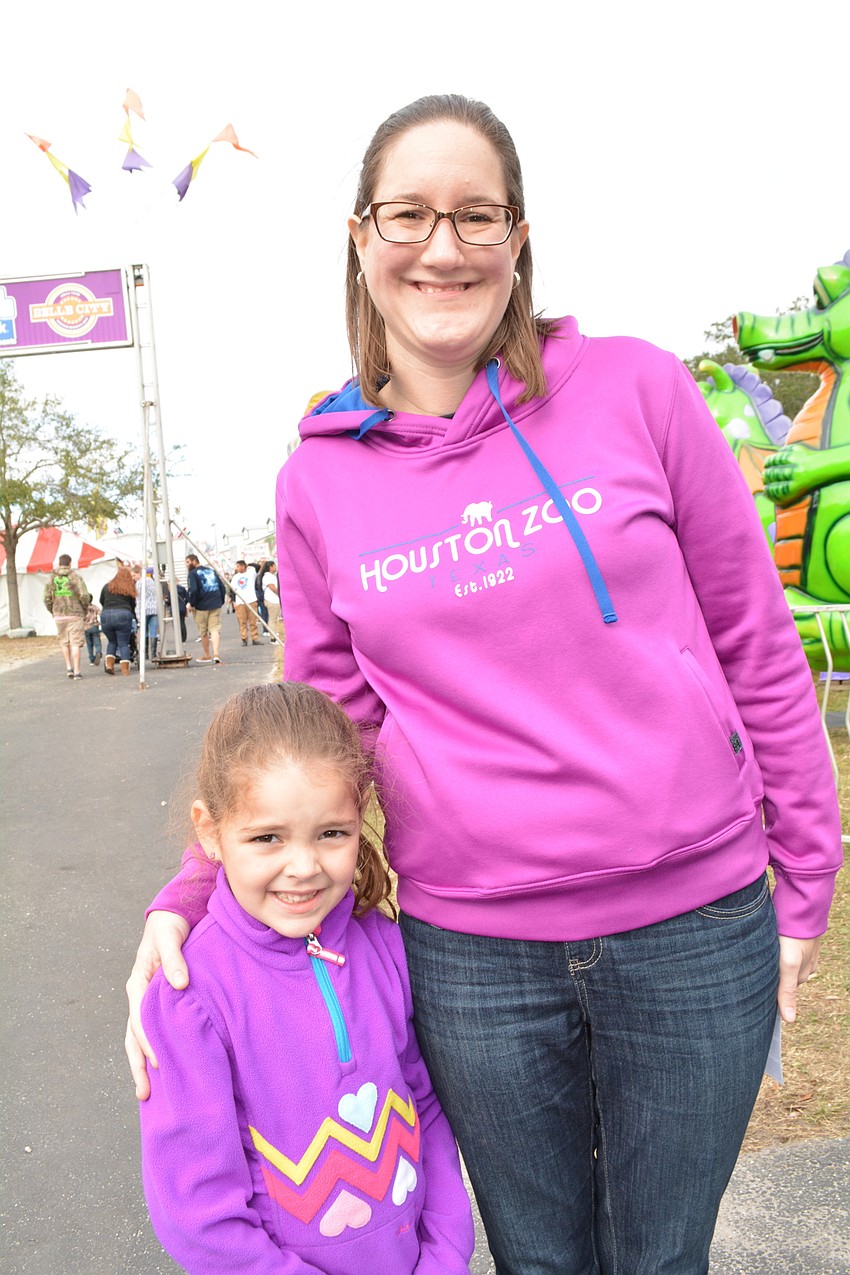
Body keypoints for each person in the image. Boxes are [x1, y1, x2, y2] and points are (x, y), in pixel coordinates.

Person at [127, 95, 842, 1273]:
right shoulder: (320, 479)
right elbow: (320, 727)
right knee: (537, 1260)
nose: (442, 246)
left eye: (476, 215)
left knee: (662, 1259)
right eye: (408, 213)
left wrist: (805, 877)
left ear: (518, 237)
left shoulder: (635, 389)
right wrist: (196, 889)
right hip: (474, 956)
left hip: (696, 926)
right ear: (361, 239)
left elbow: (754, 644)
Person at [138, 682, 474, 1274]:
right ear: (211, 832)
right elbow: (198, 1216)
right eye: (267, 837)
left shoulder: (384, 947)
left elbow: (424, 1105)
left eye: (332, 833)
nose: (303, 867)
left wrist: (446, 1255)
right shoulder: (191, 997)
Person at [43, 553, 91, 680]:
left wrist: (52, 610)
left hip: (59, 614)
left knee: (64, 642)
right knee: (75, 642)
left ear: (59, 564)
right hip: (75, 613)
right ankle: (77, 671)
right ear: (70, 564)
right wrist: (85, 608)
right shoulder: (75, 577)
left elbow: (46, 598)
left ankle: (68, 668)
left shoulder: (51, 578)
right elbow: (84, 595)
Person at [185, 553, 226, 665]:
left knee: (203, 632)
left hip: (201, 606)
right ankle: (216, 654)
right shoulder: (211, 571)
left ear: (194, 561)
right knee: (215, 629)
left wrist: (191, 603)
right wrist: (221, 600)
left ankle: (207, 654)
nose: (186, 565)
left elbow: (193, 590)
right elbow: (222, 586)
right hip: (215, 603)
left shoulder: (192, 574)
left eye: (188, 562)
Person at [99, 564, 137, 675]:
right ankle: (125, 670)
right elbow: (132, 605)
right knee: (123, 643)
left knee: (112, 641)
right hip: (123, 615)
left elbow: (102, 601)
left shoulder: (107, 586)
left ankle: (109, 665)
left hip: (106, 616)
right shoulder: (128, 589)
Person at [230, 558, 261, 645]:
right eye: (237, 566)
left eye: (239, 566)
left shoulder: (251, 573)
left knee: (253, 621)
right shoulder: (235, 577)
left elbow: (258, 566)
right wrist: (233, 601)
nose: (237, 568)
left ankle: (255, 638)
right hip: (240, 602)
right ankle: (244, 638)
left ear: (244, 566)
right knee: (242, 622)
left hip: (251, 600)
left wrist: (249, 564)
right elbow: (232, 590)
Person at [263, 559, 283, 644]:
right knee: (272, 620)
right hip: (271, 600)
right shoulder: (267, 577)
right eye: (274, 565)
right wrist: (281, 594)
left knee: (273, 620)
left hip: (274, 600)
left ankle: (274, 635)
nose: (275, 567)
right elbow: (273, 588)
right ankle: (273, 638)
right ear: (270, 567)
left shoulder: (271, 576)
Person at [83, 599, 102, 666]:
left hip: (86, 628)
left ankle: (91, 659)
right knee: (97, 643)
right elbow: (101, 614)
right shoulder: (95, 607)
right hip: (94, 626)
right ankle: (98, 652)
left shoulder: (82, 608)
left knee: (89, 644)